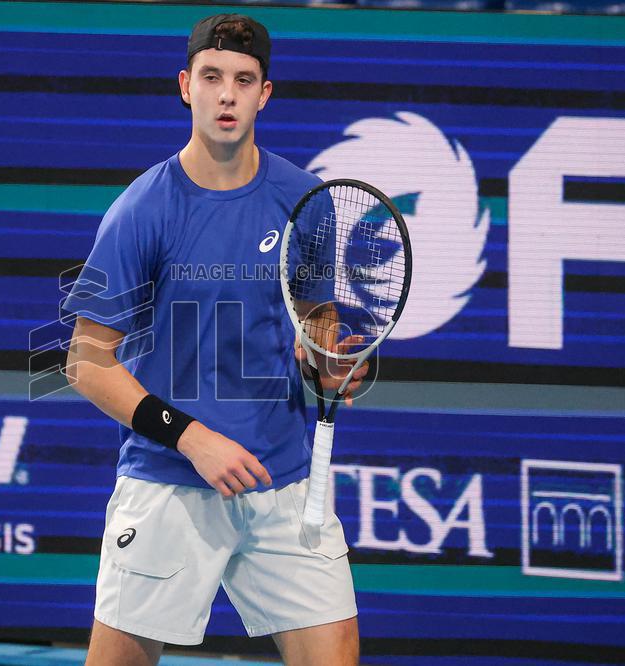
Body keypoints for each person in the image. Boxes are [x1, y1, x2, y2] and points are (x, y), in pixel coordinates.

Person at [62, 14, 366, 666]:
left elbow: (317, 321)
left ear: (265, 94)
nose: (227, 95)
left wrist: (329, 364)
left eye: (243, 80)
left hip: (283, 481)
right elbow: (86, 362)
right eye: (212, 77)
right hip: (171, 480)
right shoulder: (143, 210)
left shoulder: (305, 200)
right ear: (185, 86)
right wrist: (191, 437)